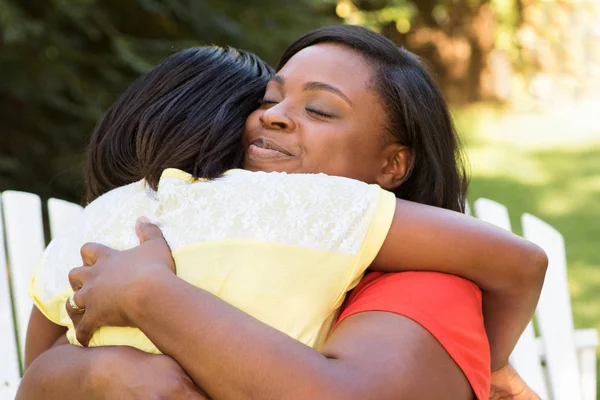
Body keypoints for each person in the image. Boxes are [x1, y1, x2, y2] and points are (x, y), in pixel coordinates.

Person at [18, 26, 545, 400]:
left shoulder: (427, 284)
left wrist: (150, 295)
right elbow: (36, 377)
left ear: (392, 164)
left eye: (319, 110)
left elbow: (522, 263)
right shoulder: (200, 231)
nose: (274, 118)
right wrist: (106, 373)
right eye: (268, 100)